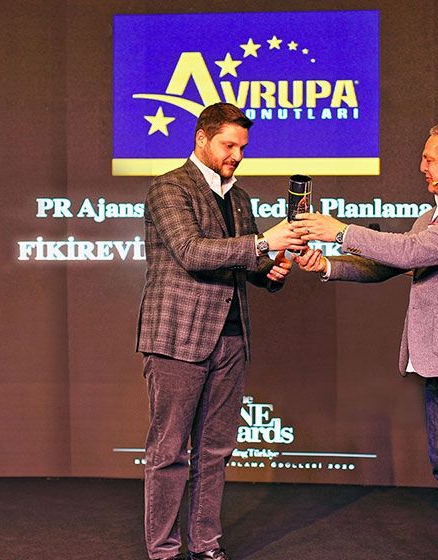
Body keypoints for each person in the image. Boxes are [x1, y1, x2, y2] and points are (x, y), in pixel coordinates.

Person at [291, 121, 438, 560]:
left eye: (429, 159)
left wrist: (339, 231)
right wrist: (328, 266)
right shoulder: (433, 216)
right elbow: (390, 264)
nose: (422, 166)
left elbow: (411, 252)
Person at [137, 102, 303, 560]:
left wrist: (273, 268)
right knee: (169, 451)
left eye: (242, 148)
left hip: (231, 339)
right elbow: (192, 252)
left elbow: (246, 262)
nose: (237, 155)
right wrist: (264, 242)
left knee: (215, 451)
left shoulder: (240, 198)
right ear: (201, 139)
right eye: (229, 145)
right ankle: (164, 551)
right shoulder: (169, 187)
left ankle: (205, 545)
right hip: (177, 338)